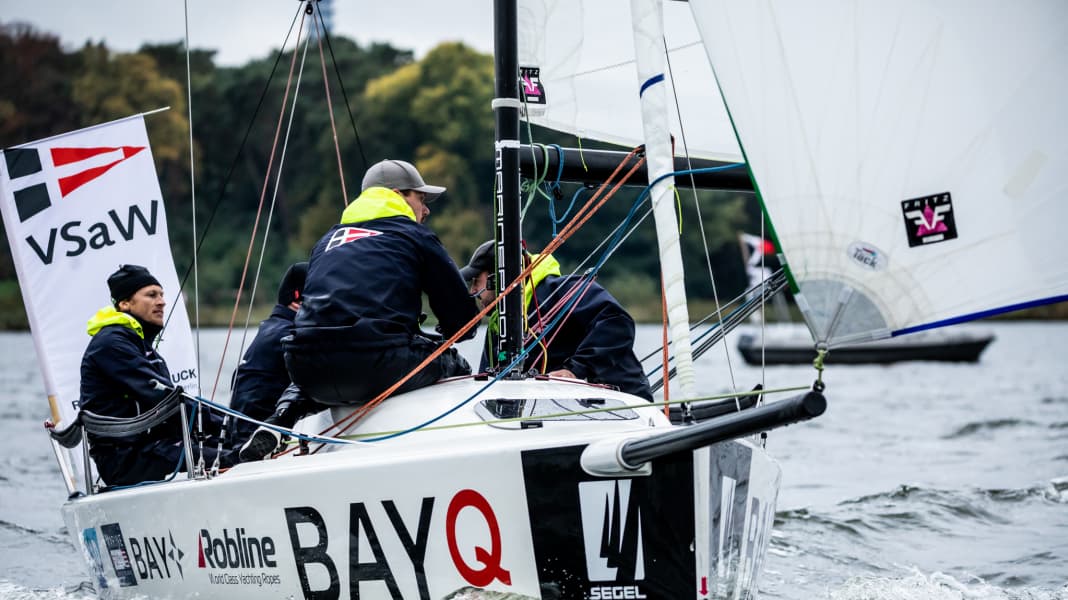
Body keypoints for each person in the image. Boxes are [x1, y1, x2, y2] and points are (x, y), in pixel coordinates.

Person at [240, 159, 478, 460]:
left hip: (305, 369)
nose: (426, 210)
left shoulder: (327, 240)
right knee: (453, 362)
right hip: (376, 363)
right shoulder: (414, 235)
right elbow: (464, 324)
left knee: (325, 355)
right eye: (421, 198)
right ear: (398, 194)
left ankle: (280, 420)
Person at [79, 264, 234, 487]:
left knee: (237, 447)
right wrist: (229, 426)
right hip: (127, 460)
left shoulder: (139, 345)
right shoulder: (111, 344)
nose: (161, 302)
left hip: (155, 446)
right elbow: (166, 401)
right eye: (151, 295)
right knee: (236, 458)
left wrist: (231, 427)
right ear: (125, 303)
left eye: (161, 295)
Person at [460, 240, 653, 401]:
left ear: (497, 277)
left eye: (476, 281)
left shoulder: (562, 291)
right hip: (557, 418)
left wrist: (575, 370)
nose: (473, 291)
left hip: (624, 408)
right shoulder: (497, 328)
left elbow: (617, 321)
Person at [227, 262, 307, 447]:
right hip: (255, 444)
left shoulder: (273, 328)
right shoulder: (287, 335)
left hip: (243, 435)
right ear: (297, 301)